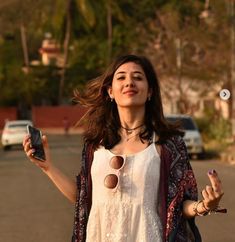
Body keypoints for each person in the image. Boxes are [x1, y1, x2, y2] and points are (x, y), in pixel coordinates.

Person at [23, 54, 226, 242]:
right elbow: (83, 199)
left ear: (150, 91)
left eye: (138, 77)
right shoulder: (95, 144)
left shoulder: (168, 144)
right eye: (121, 77)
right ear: (110, 91)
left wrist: (204, 206)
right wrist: (48, 167)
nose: (129, 82)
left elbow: (180, 205)